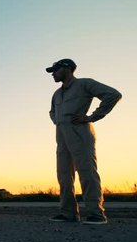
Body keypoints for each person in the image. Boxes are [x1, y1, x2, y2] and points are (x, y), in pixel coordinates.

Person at [46, 59, 122, 225]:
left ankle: (96, 214)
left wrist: (92, 117)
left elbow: (113, 95)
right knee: (64, 175)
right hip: (61, 136)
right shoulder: (56, 94)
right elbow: (52, 111)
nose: (53, 73)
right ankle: (68, 213)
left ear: (67, 68)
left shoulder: (84, 84)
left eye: (55, 70)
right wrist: (58, 121)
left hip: (80, 134)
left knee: (87, 172)